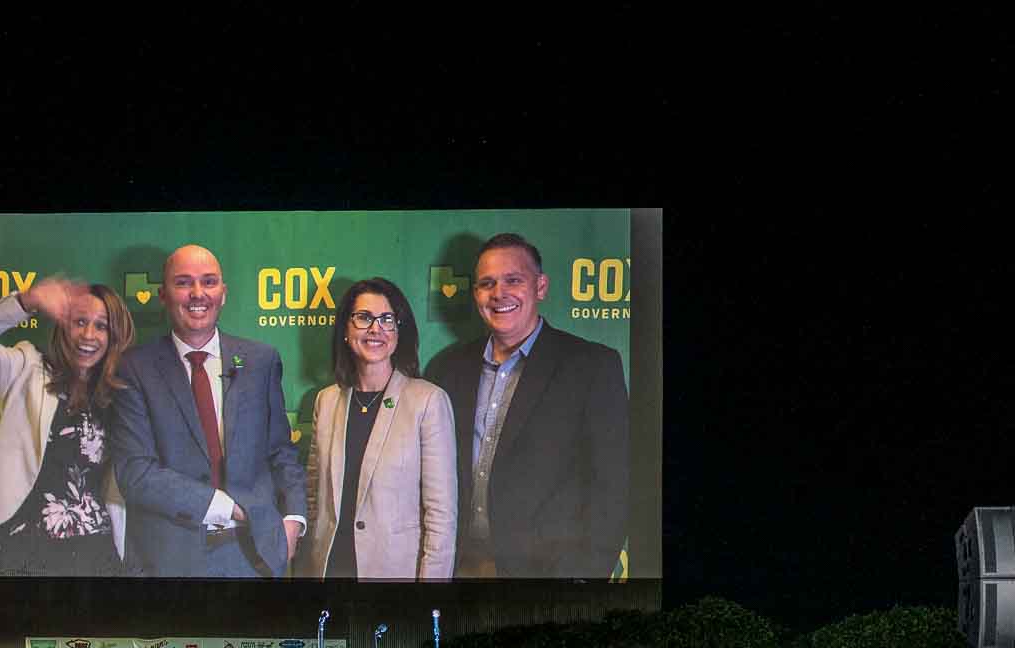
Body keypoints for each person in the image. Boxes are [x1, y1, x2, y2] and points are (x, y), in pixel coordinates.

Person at [424, 233, 632, 579]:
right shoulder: (447, 368)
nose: (499, 293)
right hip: (458, 570)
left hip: (548, 576)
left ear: (541, 286)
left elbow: (613, 484)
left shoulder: (591, 365)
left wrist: (584, 577)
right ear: (475, 294)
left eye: (513, 280)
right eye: (486, 283)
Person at [109, 244, 308, 578]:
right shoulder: (133, 368)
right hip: (170, 561)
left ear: (224, 293)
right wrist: (227, 507)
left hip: (254, 554)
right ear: (163, 295)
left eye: (209, 282)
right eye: (184, 283)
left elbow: (281, 452)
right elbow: (135, 472)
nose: (197, 294)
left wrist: (294, 519)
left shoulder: (261, 360)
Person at [0, 277, 135, 576]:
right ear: (63, 325)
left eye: (101, 326)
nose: (88, 335)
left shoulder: (120, 395)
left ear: (114, 335)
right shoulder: (25, 368)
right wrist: (27, 302)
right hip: (28, 549)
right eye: (79, 321)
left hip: (97, 551)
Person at [303, 277, 457, 579]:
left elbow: (441, 515)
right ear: (346, 330)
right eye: (363, 318)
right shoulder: (327, 400)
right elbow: (313, 493)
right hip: (329, 571)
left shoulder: (427, 401)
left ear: (400, 331)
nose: (376, 328)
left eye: (387, 319)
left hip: (395, 577)